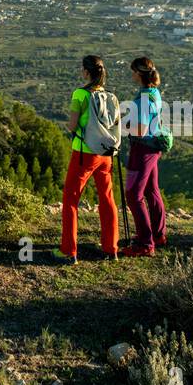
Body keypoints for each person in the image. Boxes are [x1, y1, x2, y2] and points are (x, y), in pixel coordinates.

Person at [55, 54, 119, 264]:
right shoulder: (109, 95)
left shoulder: (81, 94)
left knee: (70, 200)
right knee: (107, 198)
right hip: (105, 154)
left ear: (86, 72)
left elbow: (73, 125)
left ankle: (68, 251)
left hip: (84, 153)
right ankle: (111, 248)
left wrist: (69, 127)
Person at [121, 56, 167, 257]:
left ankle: (144, 243)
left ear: (139, 73)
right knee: (151, 190)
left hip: (142, 149)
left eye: (133, 71)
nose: (131, 75)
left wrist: (122, 124)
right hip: (154, 147)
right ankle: (158, 235)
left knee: (133, 195)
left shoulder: (143, 99)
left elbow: (140, 129)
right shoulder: (154, 93)